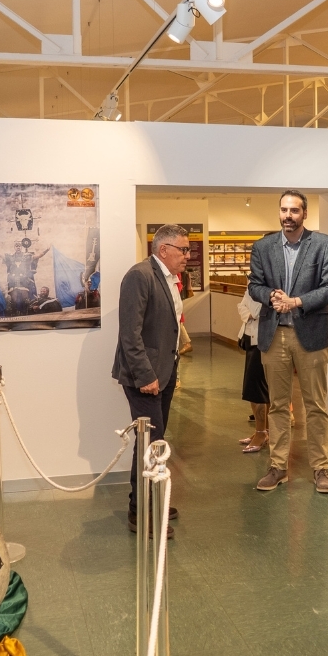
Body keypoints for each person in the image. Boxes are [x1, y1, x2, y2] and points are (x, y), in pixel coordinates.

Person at [246, 191, 328, 493]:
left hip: (311, 335)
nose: (289, 215)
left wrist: (296, 301)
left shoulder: (323, 244)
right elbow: (255, 284)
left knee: (315, 405)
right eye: (284, 210)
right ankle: (278, 467)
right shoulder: (263, 246)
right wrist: (271, 296)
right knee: (277, 405)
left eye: (295, 210)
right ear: (279, 212)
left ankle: (320, 468)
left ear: (304, 214)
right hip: (274, 336)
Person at [112, 224, 189, 538]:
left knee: (155, 442)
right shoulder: (139, 276)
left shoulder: (168, 278)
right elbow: (130, 334)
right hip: (145, 377)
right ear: (164, 250)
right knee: (149, 446)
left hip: (164, 373)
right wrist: (146, 376)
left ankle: (151, 499)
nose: (187, 255)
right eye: (183, 249)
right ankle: (139, 512)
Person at [237, 288, 270, 453]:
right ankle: (263, 431)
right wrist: (248, 309)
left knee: (258, 390)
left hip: (262, 339)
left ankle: (261, 432)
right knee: (254, 388)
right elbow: (241, 306)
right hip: (250, 337)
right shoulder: (253, 281)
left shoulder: (267, 281)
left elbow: (257, 310)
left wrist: (250, 307)